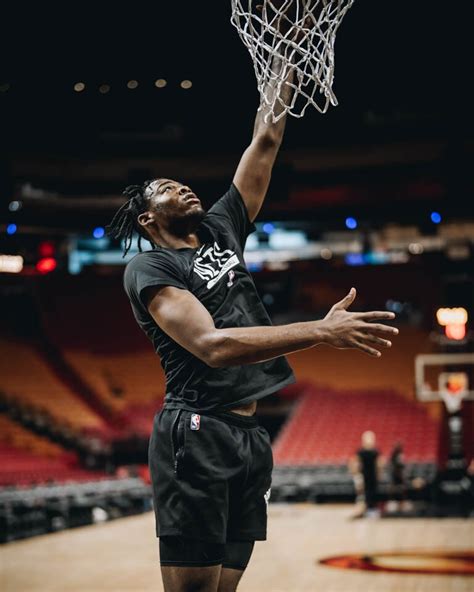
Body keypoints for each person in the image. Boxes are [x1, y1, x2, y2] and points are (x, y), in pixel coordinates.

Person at [106, 46, 398, 592]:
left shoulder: (221, 228)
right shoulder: (151, 266)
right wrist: (320, 330)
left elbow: (265, 142)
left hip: (248, 435)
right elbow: (212, 345)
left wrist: (285, 63)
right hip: (196, 430)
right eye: (168, 188)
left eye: (183, 181)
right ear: (149, 218)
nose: (184, 186)